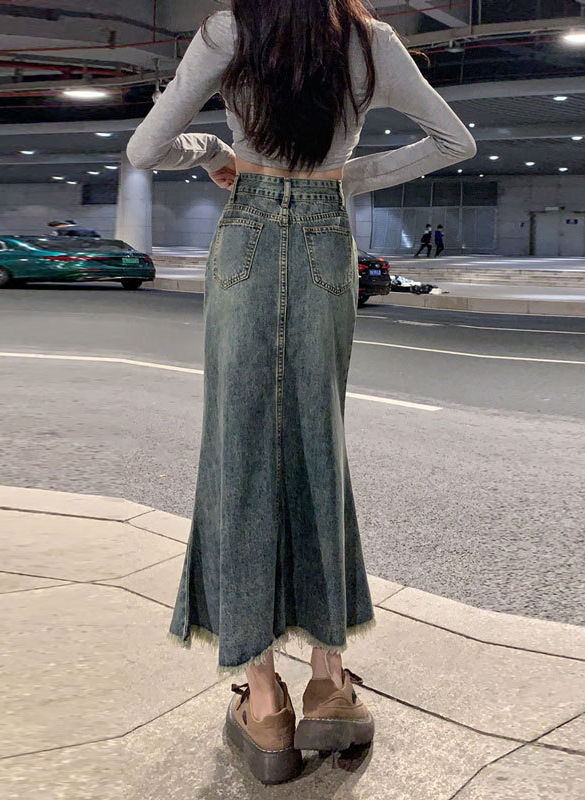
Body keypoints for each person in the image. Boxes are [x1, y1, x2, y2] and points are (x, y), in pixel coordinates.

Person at [127, 0, 474, 785]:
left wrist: (215, 148)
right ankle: (328, 682)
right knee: (320, 444)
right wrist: (349, 173)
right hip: (324, 239)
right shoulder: (370, 40)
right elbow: (456, 140)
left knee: (237, 450)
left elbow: (145, 148)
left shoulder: (230, 30)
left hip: (246, 235)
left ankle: (262, 700)